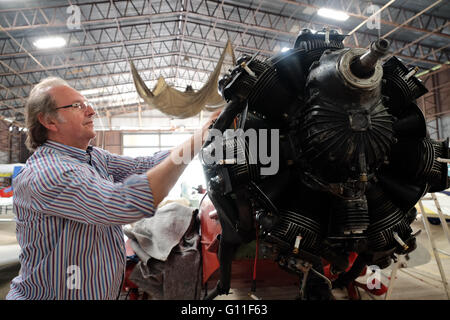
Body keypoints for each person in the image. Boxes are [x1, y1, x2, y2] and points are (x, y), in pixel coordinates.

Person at [6, 77, 221, 300]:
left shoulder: (93, 157)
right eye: (78, 106)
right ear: (49, 121)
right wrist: (199, 138)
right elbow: (124, 204)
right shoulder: (49, 173)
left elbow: (145, 165)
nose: (91, 111)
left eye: (87, 103)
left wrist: (202, 138)